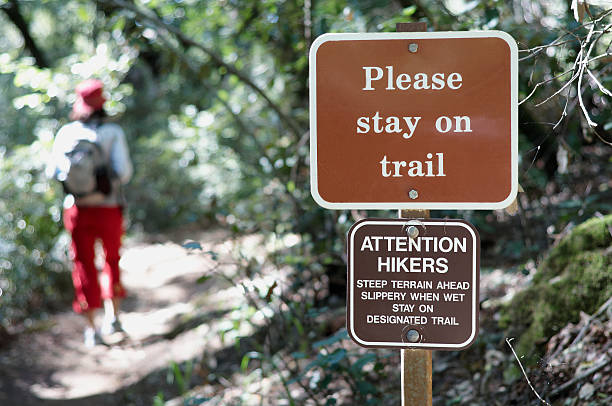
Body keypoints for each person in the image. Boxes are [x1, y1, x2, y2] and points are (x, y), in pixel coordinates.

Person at [47, 79, 133, 347]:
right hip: (108, 209)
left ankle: (91, 329)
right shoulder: (113, 132)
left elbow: (52, 172)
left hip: (77, 210)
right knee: (111, 259)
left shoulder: (66, 134)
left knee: (83, 265)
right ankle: (113, 318)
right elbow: (125, 173)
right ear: (102, 103)